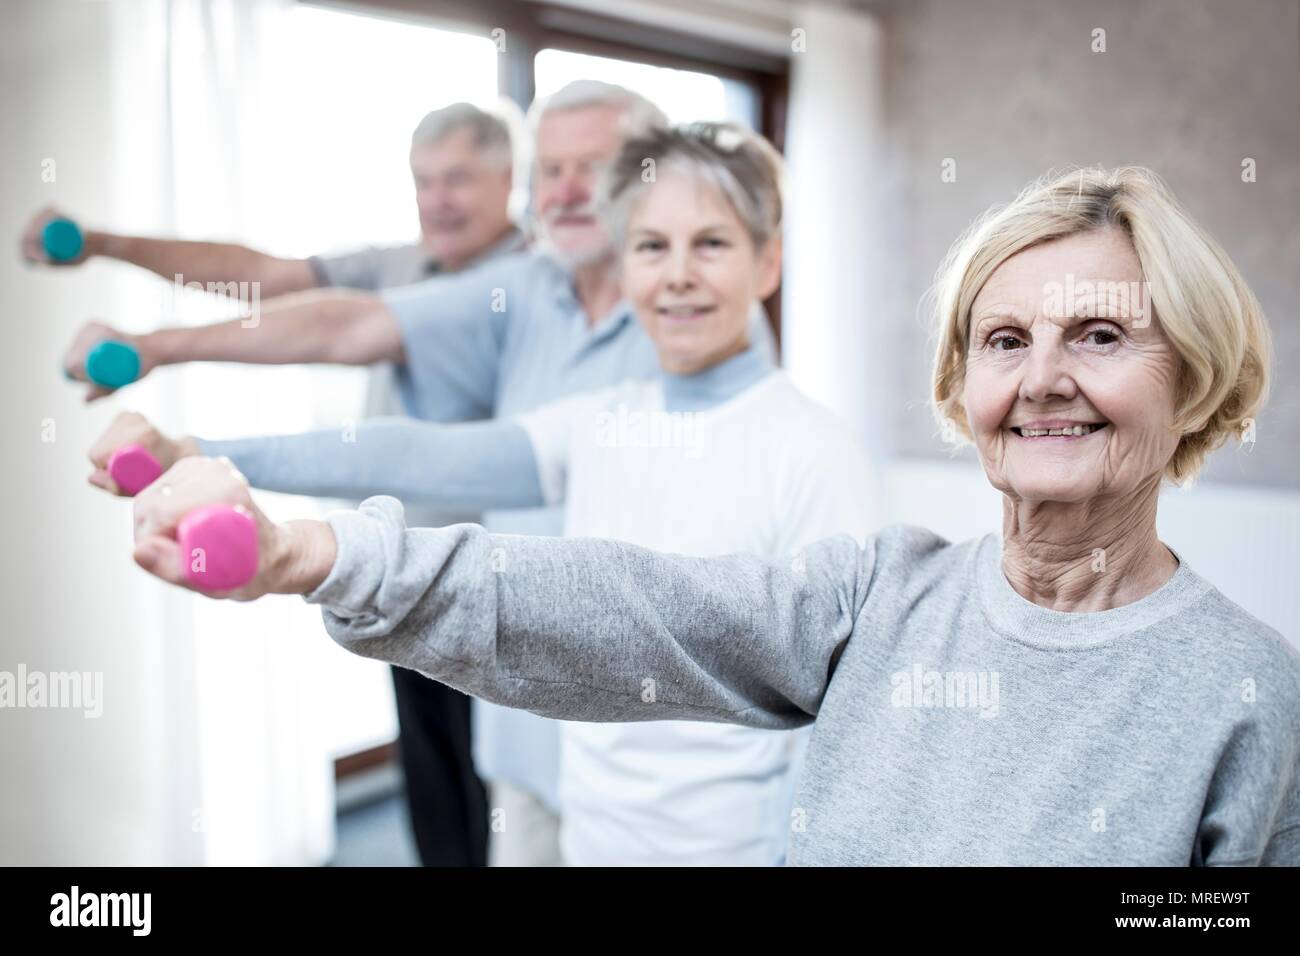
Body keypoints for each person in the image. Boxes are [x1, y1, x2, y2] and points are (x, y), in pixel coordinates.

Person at [118, 166, 1299, 865]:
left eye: (1097, 334)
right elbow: (627, 605)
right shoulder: (876, 595)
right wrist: (311, 550)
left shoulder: (1239, 691)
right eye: (1004, 339)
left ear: (1190, 375)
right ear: (962, 386)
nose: (1042, 376)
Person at [89, 124, 876, 865]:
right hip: (594, 837)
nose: (676, 275)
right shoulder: (599, 422)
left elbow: (845, 712)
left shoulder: (813, 447)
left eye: (711, 245)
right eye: (650, 246)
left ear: (767, 264)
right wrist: (194, 450)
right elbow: (414, 455)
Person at [35, 101, 525, 868]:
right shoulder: (404, 261)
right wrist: (105, 243)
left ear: (508, 179)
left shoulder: (528, 280)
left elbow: (335, 327)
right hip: (407, 575)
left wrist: (157, 347)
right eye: (423, 181)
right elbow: (260, 278)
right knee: (435, 788)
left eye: (458, 179)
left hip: (508, 586)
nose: (438, 200)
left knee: (509, 802)